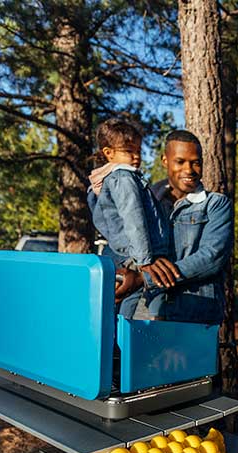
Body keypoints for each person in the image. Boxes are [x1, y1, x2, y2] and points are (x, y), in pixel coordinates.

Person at [138, 129, 234, 324]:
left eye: (195, 162)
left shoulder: (215, 204)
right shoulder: (147, 201)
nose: (189, 170)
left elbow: (211, 257)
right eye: (180, 161)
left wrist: (145, 279)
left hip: (195, 312)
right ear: (165, 161)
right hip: (148, 309)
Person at [87, 118, 178, 319]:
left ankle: (123, 337)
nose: (136, 157)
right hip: (136, 253)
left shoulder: (110, 179)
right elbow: (133, 218)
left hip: (128, 251)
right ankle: (126, 338)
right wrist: (144, 260)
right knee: (135, 296)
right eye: (129, 151)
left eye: (138, 151)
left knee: (131, 296)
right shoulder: (124, 177)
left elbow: (102, 215)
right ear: (108, 153)